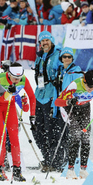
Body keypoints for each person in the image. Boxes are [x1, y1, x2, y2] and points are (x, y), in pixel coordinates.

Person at [55, 70, 93, 179]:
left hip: (85, 109)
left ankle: (83, 169)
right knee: (76, 135)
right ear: (84, 81)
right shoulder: (75, 85)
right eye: (89, 86)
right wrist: (68, 102)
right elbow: (57, 102)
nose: (91, 89)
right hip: (70, 109)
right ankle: (70, 169)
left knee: (86, 138)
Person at [0, 62, 36, 182]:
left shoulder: (23, 80)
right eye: (14, 78)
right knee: (2, 136)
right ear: (8, 74)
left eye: (19, 78)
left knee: (14, 137)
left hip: (10, 106)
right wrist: (7, 92)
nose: (17, 81)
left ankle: (17, 170)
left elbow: (31, 96)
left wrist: (32, 116)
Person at [31, 31, 61, 173]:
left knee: (50, 130)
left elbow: (68, 69)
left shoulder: (58, 55)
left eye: (47, 40)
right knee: (37, 130)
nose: (44, 43)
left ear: (52, 41)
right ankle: (46, 157)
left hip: (51, 96)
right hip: (39, 95)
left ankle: (54, 161)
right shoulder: (39, 57)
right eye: (42, 41)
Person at [51, 47, 82, 171]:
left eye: (69, 57)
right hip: (60, 105)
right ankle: (61, 162)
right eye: (65, 57)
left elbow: (78, 89)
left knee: (70, 135)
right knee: (60, 135)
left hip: (70, 106)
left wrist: (73, 102)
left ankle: (71, 162)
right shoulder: (60, 71)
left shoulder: (76, 71)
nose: (67, 59)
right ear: (61, 58)